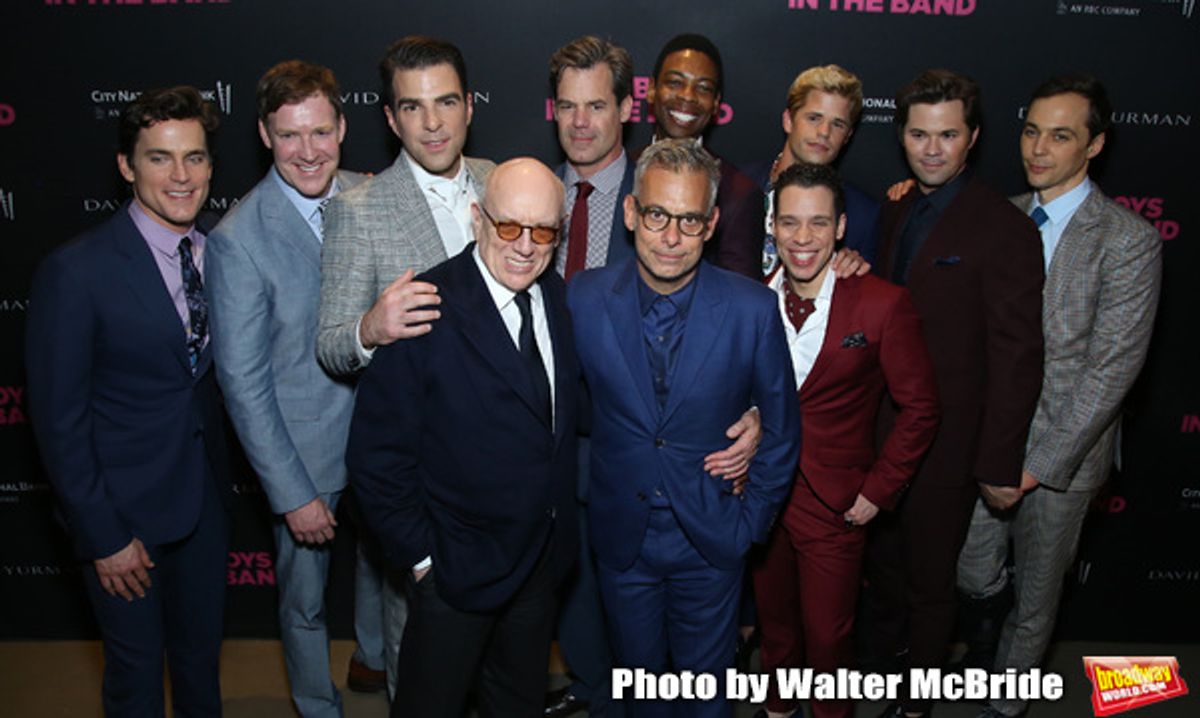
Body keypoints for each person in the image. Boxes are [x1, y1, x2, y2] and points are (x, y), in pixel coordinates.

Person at [544, 36, 763, 718]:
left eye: (598, 106)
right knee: (595, 614)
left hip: (674, 467)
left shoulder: (666, 186)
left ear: (625, 109)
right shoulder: (527, 188)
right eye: (569, 107)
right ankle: (593, 693)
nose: (583, 122)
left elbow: (733, 312)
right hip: (564, 449)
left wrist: (752, 406)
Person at [569, 139, 800, 718]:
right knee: (641, 692)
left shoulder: (751, 309)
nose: (671, 237)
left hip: (713, 537)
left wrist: (750, 526)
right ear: (630, 213)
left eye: (690, 220)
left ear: (713, 223)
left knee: (707, 698)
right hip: (623, 537)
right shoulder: (583, 298)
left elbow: (781, 427)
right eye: (656, 215)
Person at [956, 75, 1162, 718]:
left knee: (1039, 592)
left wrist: (1037, 466)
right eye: (1031, 130)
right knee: (971, 569)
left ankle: (1009, 695)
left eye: (1062, 134)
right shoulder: (1001, 215)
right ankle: (985, 648)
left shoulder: (1127, 240)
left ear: (1094, 145)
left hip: (1065, 458)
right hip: (992, 439)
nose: (1039, 148)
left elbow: (1110, 372)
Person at [347, 158, 579, 718]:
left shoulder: (557, 298)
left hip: (537, 569)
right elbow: (375, 457)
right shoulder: (424, 307)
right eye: (509, 227)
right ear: (477, 219)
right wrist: (425, 563)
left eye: (543, 231)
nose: (525, 246)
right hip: (456, 576)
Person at [26, 86, 229, 716]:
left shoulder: (222, 250)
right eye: (160, 158)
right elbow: (59, 422)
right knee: (137, 679)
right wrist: (103, 536)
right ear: (126, 166)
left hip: (203, 505)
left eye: (194, 158)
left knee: (201, 667)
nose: (180, 176)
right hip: (122, 517)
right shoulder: (77, 270)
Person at [205, 60, 385, 718]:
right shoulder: (238, 241)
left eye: (319, 132)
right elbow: (243, 383)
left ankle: (378, 660)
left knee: (384, 570)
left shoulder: (372, 194)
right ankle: (317, 706)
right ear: (264, 135)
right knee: (303, 600)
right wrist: (292, 493)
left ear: (341, 126)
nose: (307, 151)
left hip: (382, 433)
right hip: (304, 456)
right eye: (288, 136)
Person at [315, 35, 495, 693]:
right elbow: (331, 341)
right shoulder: (357, 209)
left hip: (506, 468)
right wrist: (371, 326)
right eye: (413, 108)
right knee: (419, 653)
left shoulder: (502, 181)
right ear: (390, 119)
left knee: (503, 651)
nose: (433, 122)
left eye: (446, 102)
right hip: (422, 478)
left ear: (468, 105)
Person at [863, 69, 1044, 718]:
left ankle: (916, 707)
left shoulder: (1005, 228)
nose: (931, 149)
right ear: (902, 135)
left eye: (946, 135)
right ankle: (879, 687)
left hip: (948, 443)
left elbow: (1019, 356)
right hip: (878, 433)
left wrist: (996, 461)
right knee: (880, 576)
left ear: (971, 138)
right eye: (918, 134)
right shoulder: (894, 208)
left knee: (930, 586)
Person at [751, 163, 939, 718]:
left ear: (840, 227)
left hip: (835, 502)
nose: (802, 238)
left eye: (816, 223)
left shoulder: (881, 303)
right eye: (789, 223)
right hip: (761, 496)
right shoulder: (749, 300)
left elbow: (921, 407)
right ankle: (779, 710)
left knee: (830, 638)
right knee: (776, 629)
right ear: (773, 227)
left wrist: (879, 489)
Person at [643, 33, 765, 280]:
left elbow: (739, 300)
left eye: (703, 88)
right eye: (675, 82)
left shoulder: (737, 193)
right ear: (652, 89)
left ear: (716, 104)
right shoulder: (622, 168)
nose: (688, 96)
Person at [743, 64, 881, 273]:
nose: (824, 132)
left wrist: (854, 273)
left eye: (838, 124)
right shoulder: (738, 185)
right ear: (788, 121)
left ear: (848, 136)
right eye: (814, 118)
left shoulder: (862, 215)